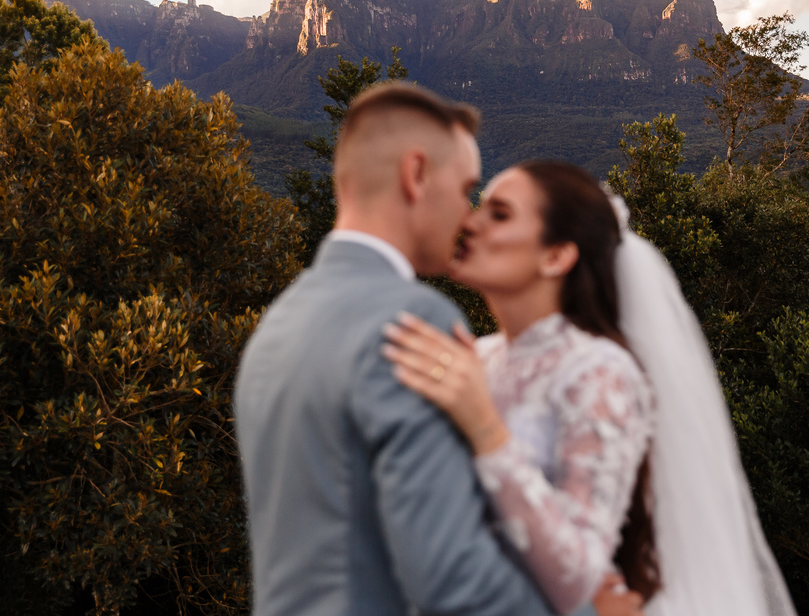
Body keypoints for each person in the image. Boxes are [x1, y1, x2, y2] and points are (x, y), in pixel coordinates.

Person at [234, 85, 634, 616]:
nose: (467, 217)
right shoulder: (414, 322)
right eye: (467, 187)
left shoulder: (277, 324)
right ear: (416, 174)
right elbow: (453, 582)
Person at [384, 160, 798, 616]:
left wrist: (484, 428)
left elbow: (579, 569)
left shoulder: (599, 373)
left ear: (556, 256)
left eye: (499, 214)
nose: (470, 222)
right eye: (479, 207)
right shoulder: (474, 358)